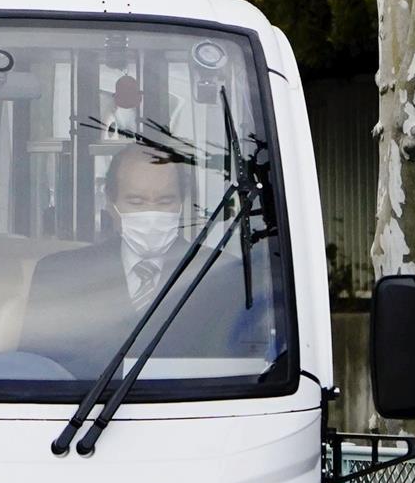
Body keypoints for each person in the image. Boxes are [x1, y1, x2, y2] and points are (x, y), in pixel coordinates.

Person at [19, 144, 265, 380]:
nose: (151, 214)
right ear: (110, 203)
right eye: (136, 202)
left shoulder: (223, 275)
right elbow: (35, 370)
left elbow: (242, 366)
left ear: (181, 203)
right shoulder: (61, 275)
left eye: (165, 201)